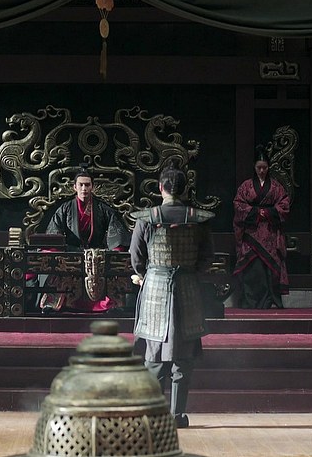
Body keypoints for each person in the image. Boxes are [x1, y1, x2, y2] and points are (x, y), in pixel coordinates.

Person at [130, 162, 214, 429]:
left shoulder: (147, 218)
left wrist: (145, 273)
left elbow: (136, 257)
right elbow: (207, 257)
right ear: (184, 189)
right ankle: (177, 415)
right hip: (187, 288)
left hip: (155, 287)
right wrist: (190, 273)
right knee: (183, 357)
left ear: (160, 188)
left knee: (154, 357)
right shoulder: (197, 218)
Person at [39, 167, 130, 313]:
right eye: (80, 185)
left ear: (92, 186)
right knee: (57, 266)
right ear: (74, 187)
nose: (84, 188)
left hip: (98, 255)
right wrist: (56, 251)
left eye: (87, 185)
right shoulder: (65, 209)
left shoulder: (103, 209)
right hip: (71, 253)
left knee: (112, 267)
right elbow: (54, 234)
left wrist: (114, 251)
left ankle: (112, 304)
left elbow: (117, 234)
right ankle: (54, 303)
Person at [232, 148, 291, 309]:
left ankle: (268, 300)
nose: (262, 170)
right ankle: (251, 301)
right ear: (254, 167)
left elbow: (284, 204)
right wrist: (257, 213)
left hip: (270, 232)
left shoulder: (276, 187)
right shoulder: (246, 186)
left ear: (268, 167)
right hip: (251, 233)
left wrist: (268, 213)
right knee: (253, 267)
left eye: (264, 167)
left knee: (269, 268)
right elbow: (238, 204)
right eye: (259, 167)